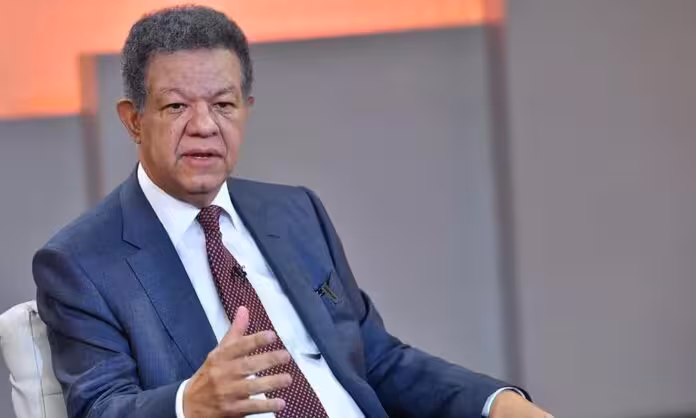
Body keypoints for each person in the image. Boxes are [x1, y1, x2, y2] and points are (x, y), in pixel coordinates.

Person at [33, 6, 552, 418]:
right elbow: (100, 407)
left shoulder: (295, 212)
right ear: (133, 120)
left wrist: (495, 403)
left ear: (247, 110)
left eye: (223, 104)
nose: (205, 126)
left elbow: (376, 358)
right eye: (176, 107)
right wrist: (190, 403)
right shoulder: (82, 262)